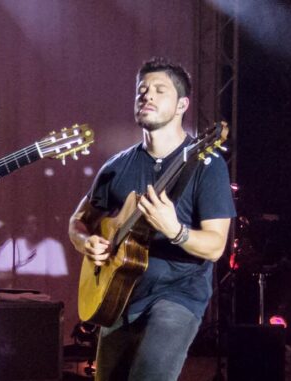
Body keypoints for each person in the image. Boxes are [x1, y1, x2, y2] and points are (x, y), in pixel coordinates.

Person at [68, 57, 236, 381]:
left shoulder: (206, 164)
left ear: (182, 105)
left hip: (178, 295)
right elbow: (79, 220)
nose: (147, 96)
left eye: (160, 90)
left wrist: (175, 231)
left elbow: (216, 246)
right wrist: (86, 241)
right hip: (118, 294)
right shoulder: (117, 166)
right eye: (141, 90)